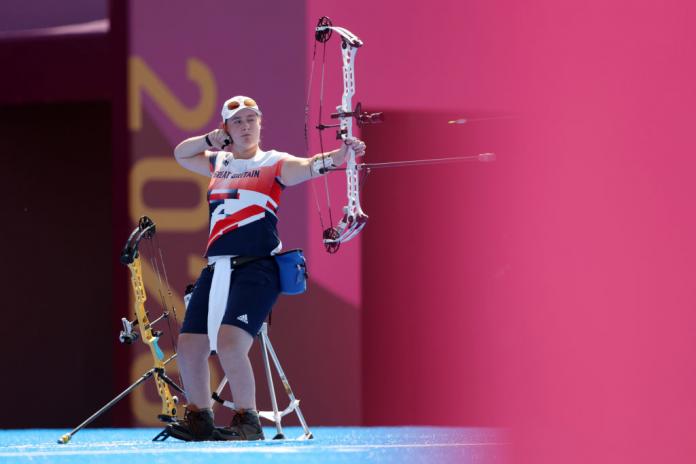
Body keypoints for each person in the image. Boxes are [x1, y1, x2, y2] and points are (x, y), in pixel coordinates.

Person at [164, 95, 366, 441]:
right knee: (190, 346)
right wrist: (209, 140)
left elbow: (311, 165)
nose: (246, 127)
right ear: (226, 128)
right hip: (218, 268)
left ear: (261, 123)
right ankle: (200, 417)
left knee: (229, 344)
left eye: (251, 119)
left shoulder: (274, 163)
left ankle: (248, 421)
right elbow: (182, 154)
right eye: (238, 121)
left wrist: (340, 155)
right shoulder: (219, 162)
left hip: (258, 269)